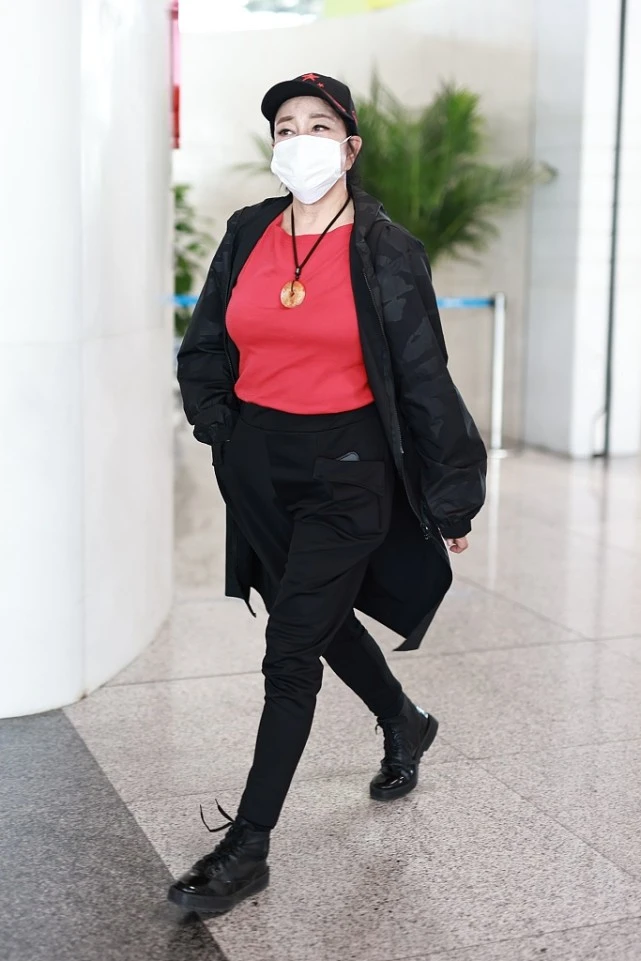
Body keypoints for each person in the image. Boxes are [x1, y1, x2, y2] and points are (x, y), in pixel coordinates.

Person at [169, 73, 487, 915]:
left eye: (317, 125)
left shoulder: (385, 249)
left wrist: (452, 492)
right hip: (257, 464)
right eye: (285, 125)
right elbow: (205, 343)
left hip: (347, 469)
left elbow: (424, 377)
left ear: (348, 148)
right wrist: (218, 423)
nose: (299, 138)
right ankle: (403, 719)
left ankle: (247, 847)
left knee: (289, 649)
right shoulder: (247, 231)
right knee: (316, 613)